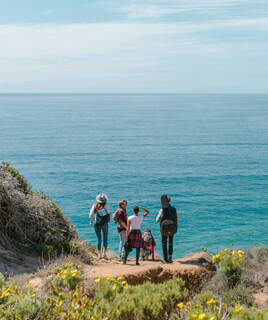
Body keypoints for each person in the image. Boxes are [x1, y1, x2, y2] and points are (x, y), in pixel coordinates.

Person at [156, 195, 178, 264]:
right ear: (170, 201)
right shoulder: (174, 209)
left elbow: (157, 220)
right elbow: (177, 219)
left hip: (164, 229)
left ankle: (165, 259)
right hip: (172, 228)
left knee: (164, 243)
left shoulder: (162, 210)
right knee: (170, 242)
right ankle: (170, 257)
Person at [89, 193, 110, 258]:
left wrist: (91, 222)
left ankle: (99, 254)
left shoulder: (95, 205)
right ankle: (104, 254)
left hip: (97, 224)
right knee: (105, 239)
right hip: (105, 224)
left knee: (99, 239)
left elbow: (90, 214)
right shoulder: (106, 206)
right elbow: (108, 214)